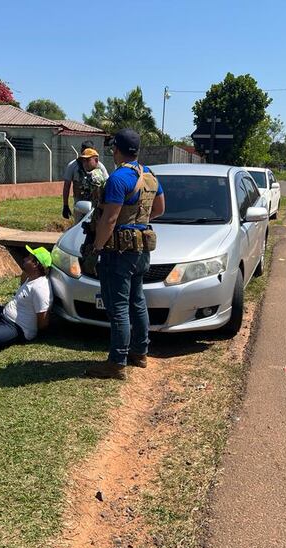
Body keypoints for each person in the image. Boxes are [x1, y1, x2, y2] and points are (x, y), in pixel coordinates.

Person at [82, 129, 165, 380]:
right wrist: (138, 222)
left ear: (116, 149)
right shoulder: (149, 175)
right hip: (140, 251)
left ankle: (117, 363)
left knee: (118, 307)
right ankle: (140, 353)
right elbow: (160, 209)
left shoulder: (118, 178)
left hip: (117, 253)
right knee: (137, 301)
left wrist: (96, 248)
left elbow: (110, 219)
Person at [61, 141, 109, 220]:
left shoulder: (99, 166)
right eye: (84, 159)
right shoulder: (73, 166)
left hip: (96, 204)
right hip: (80, 202)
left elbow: (107, 183)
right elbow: (67, 186)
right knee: (79, 226)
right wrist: (65, 205)